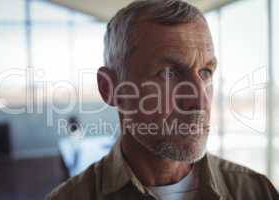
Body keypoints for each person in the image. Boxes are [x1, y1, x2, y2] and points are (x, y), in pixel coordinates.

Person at [47, 0, 279, 199]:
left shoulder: (256, 191)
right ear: (110, 88)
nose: (199, 101)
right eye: (169, 73)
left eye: (206, 72)